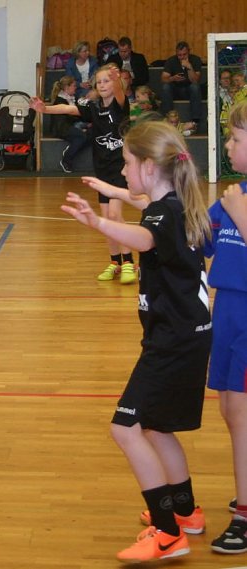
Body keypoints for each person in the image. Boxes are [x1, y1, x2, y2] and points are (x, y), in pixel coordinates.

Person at [63, 120, 212, 563]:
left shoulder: (162, 216)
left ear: (149, 166)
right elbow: (140, 200)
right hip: (187, 336)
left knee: (124, 426)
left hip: (172, 340)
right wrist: (111, 189)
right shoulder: (173, 201)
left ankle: (167, 534)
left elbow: (143, 236)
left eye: (127, 164)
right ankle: (186, 512)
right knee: (156, 427)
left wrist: (98, 224)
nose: (124, 172)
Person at [32, 64, 137, 284]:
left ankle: (129, 263)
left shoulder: (120, 105)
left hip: (120, 169)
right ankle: (114, 262)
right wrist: (46, 109)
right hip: (102, 169)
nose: (103, 85)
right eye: (99, 82)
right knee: (106, 218)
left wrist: (117, 78)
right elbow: (69, 110)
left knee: (116, 216)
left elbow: (119, 90)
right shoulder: (93, 107)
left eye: (107, 81)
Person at [206, 100, 247, 555]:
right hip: (228, 314)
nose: (229, 146)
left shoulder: (238, 202)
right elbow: (198, 238)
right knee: (231, 411)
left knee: (241, 414)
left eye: (235, 138)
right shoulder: (234, 196)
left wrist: (238, 212)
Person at [48, 75, 90, 173]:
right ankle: (66, 159)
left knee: (89, 135)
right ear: (67, 87)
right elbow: (69, 118)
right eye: (74, 86)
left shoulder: (69, 99)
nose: (76, 88)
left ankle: (71, 149)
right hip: (61, 127)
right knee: (82, 137)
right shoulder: (60, 100)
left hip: (68, 125)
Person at [160, 41, 204, 127]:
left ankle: (195, 120)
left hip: (189, 89)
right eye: (179, 55)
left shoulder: (195, 60)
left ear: (189, 52)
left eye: (184, 54)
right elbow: (163, 78)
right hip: (175, 89)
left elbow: (195, 80)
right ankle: (167, 117)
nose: (182, 57)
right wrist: (173, 78)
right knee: (166, 87)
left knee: (195, 87)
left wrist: (189, 67)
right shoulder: (171, 60)